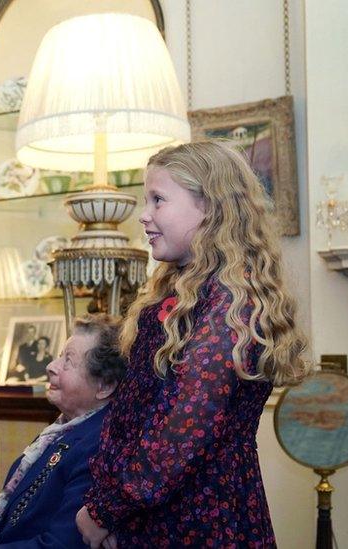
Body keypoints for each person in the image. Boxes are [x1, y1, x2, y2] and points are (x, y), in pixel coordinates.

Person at [76, 142, 309, 548]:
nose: (144, 216)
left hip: (196, 520)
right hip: (150, 512)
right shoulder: (183, 287)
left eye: (158, 200)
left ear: (210, 207)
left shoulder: (231, 305)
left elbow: (180, 431)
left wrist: (104, 511)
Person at [0, 315, 127, 548]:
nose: (50, 366)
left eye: (68, 361)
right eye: (59, 356)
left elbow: (60, 545)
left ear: (104, 386)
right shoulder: (60, 431)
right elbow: (11, 522)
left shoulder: (98, 446)